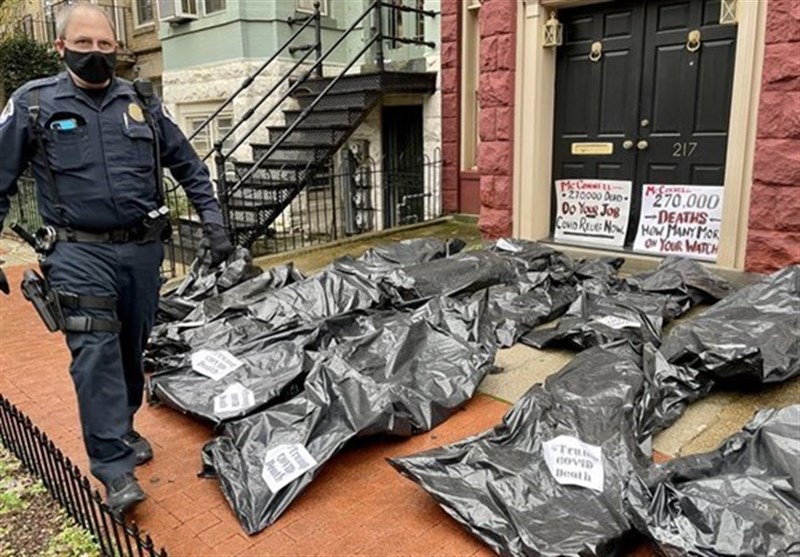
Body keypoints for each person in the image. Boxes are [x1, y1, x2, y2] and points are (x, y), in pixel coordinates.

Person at [0, 1, 233, 516]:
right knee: (96, 352)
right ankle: (113, 468)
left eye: (105, 44)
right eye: (84, 44)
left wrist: (214, 225)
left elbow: (189, 166)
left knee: (133, 347)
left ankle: (121, 427)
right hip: (78, 253)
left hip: (142, 251)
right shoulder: (34, 104)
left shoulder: (143, 104)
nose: (96, 54)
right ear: (60, 47)